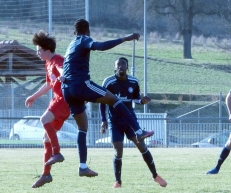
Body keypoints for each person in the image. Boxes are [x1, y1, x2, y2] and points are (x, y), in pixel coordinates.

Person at [59, 19, 154, 177]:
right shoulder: (85, 39)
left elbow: (67, 65)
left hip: (67, 89)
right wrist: (125, 38)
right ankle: (138, 131)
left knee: (82, 128)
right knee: (115, 99)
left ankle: (83, 166)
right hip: (80, 84)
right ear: (88, 31)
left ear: (74, 32)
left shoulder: (71, 45)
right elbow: (101, 46)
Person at [99, 57, 167, 188]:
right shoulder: (108, 82)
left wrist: (142, 101)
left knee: (142, 147)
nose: (121, 66)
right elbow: (102, 101)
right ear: (115, 67)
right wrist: (103, 120)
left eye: (123, 64)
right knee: (118, 151)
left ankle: (155, 176)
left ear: (127, 66)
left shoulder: (134, 82)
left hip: (130, 122)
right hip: (115, 122)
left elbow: (135, 99)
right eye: (118, 64)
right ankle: (118, 181)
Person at [25, 30, 70, 188]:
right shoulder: (47, 63)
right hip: (56, 100)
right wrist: (33, 96)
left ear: (47, 51)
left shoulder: (57, 59)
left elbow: (64, 69)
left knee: (43, 119)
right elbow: (48, 84)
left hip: (64, 100)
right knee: (45, 139)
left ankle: (57, 152)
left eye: (39, 50)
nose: (37, 53)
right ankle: (46, 174)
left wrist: (64, 76)